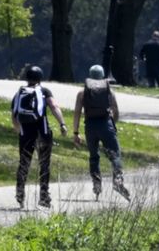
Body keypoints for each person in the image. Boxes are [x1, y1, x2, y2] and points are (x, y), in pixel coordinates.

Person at [10, 64, 68, 209]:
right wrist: (62, 124)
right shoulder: (44, 91)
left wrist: (20, 131)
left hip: (25, 133)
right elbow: (54, 106)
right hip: (43, 133)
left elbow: (14, 116)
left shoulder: (19, 93)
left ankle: (20, 193)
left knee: (24, 162)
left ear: (27, 77)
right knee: (44, 164)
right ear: (40, 78)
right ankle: (43, 196)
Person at [72, 63, 130, 200]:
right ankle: (118, 181)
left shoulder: (82, 93)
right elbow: (116, 110)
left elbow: (76, 113)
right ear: (103, 76)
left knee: (94, 156)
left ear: (90, 76)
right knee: (115, 155)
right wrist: (112, 123)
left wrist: (75, 132)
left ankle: (96, 183)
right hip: (106, 124)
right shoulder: (109, 91)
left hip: (90, 126)